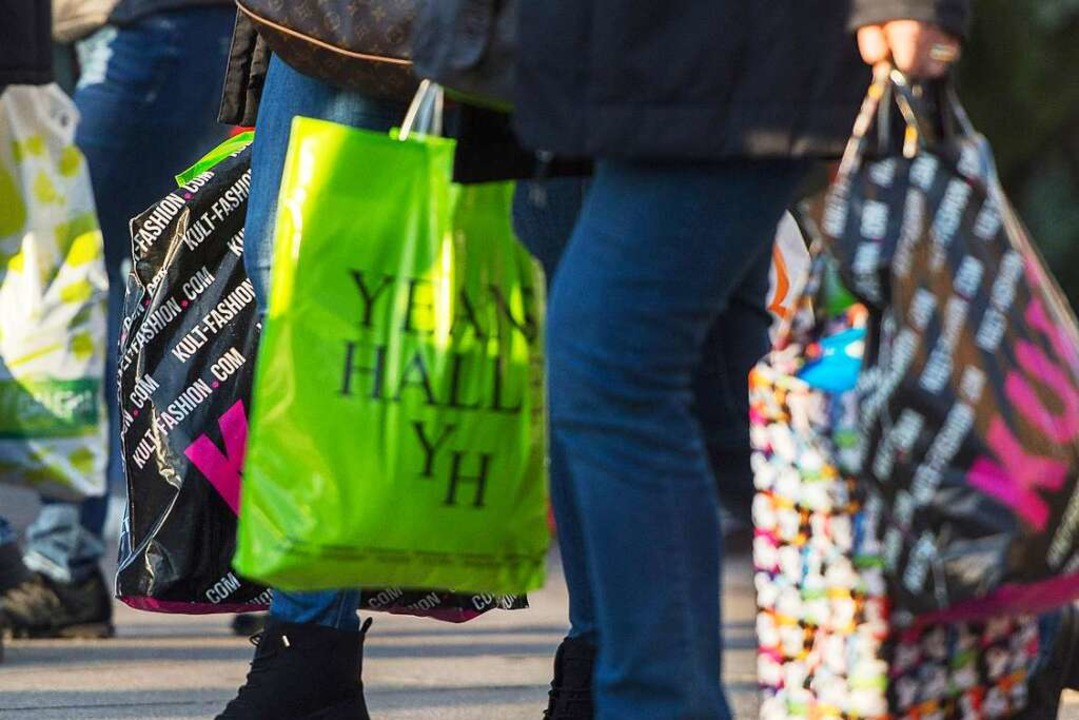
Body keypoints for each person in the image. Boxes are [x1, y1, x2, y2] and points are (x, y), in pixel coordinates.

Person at [509, 3, 975, 719]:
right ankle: (985, 598)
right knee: (732, 418)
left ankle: (653, 704)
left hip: (725, 60)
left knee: (607, 369)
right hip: (604, 67)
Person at [0, 0, 235, 639]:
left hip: (147, 25)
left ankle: (65, 559)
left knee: (73, 281)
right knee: (86, 281)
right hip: (123, 31)